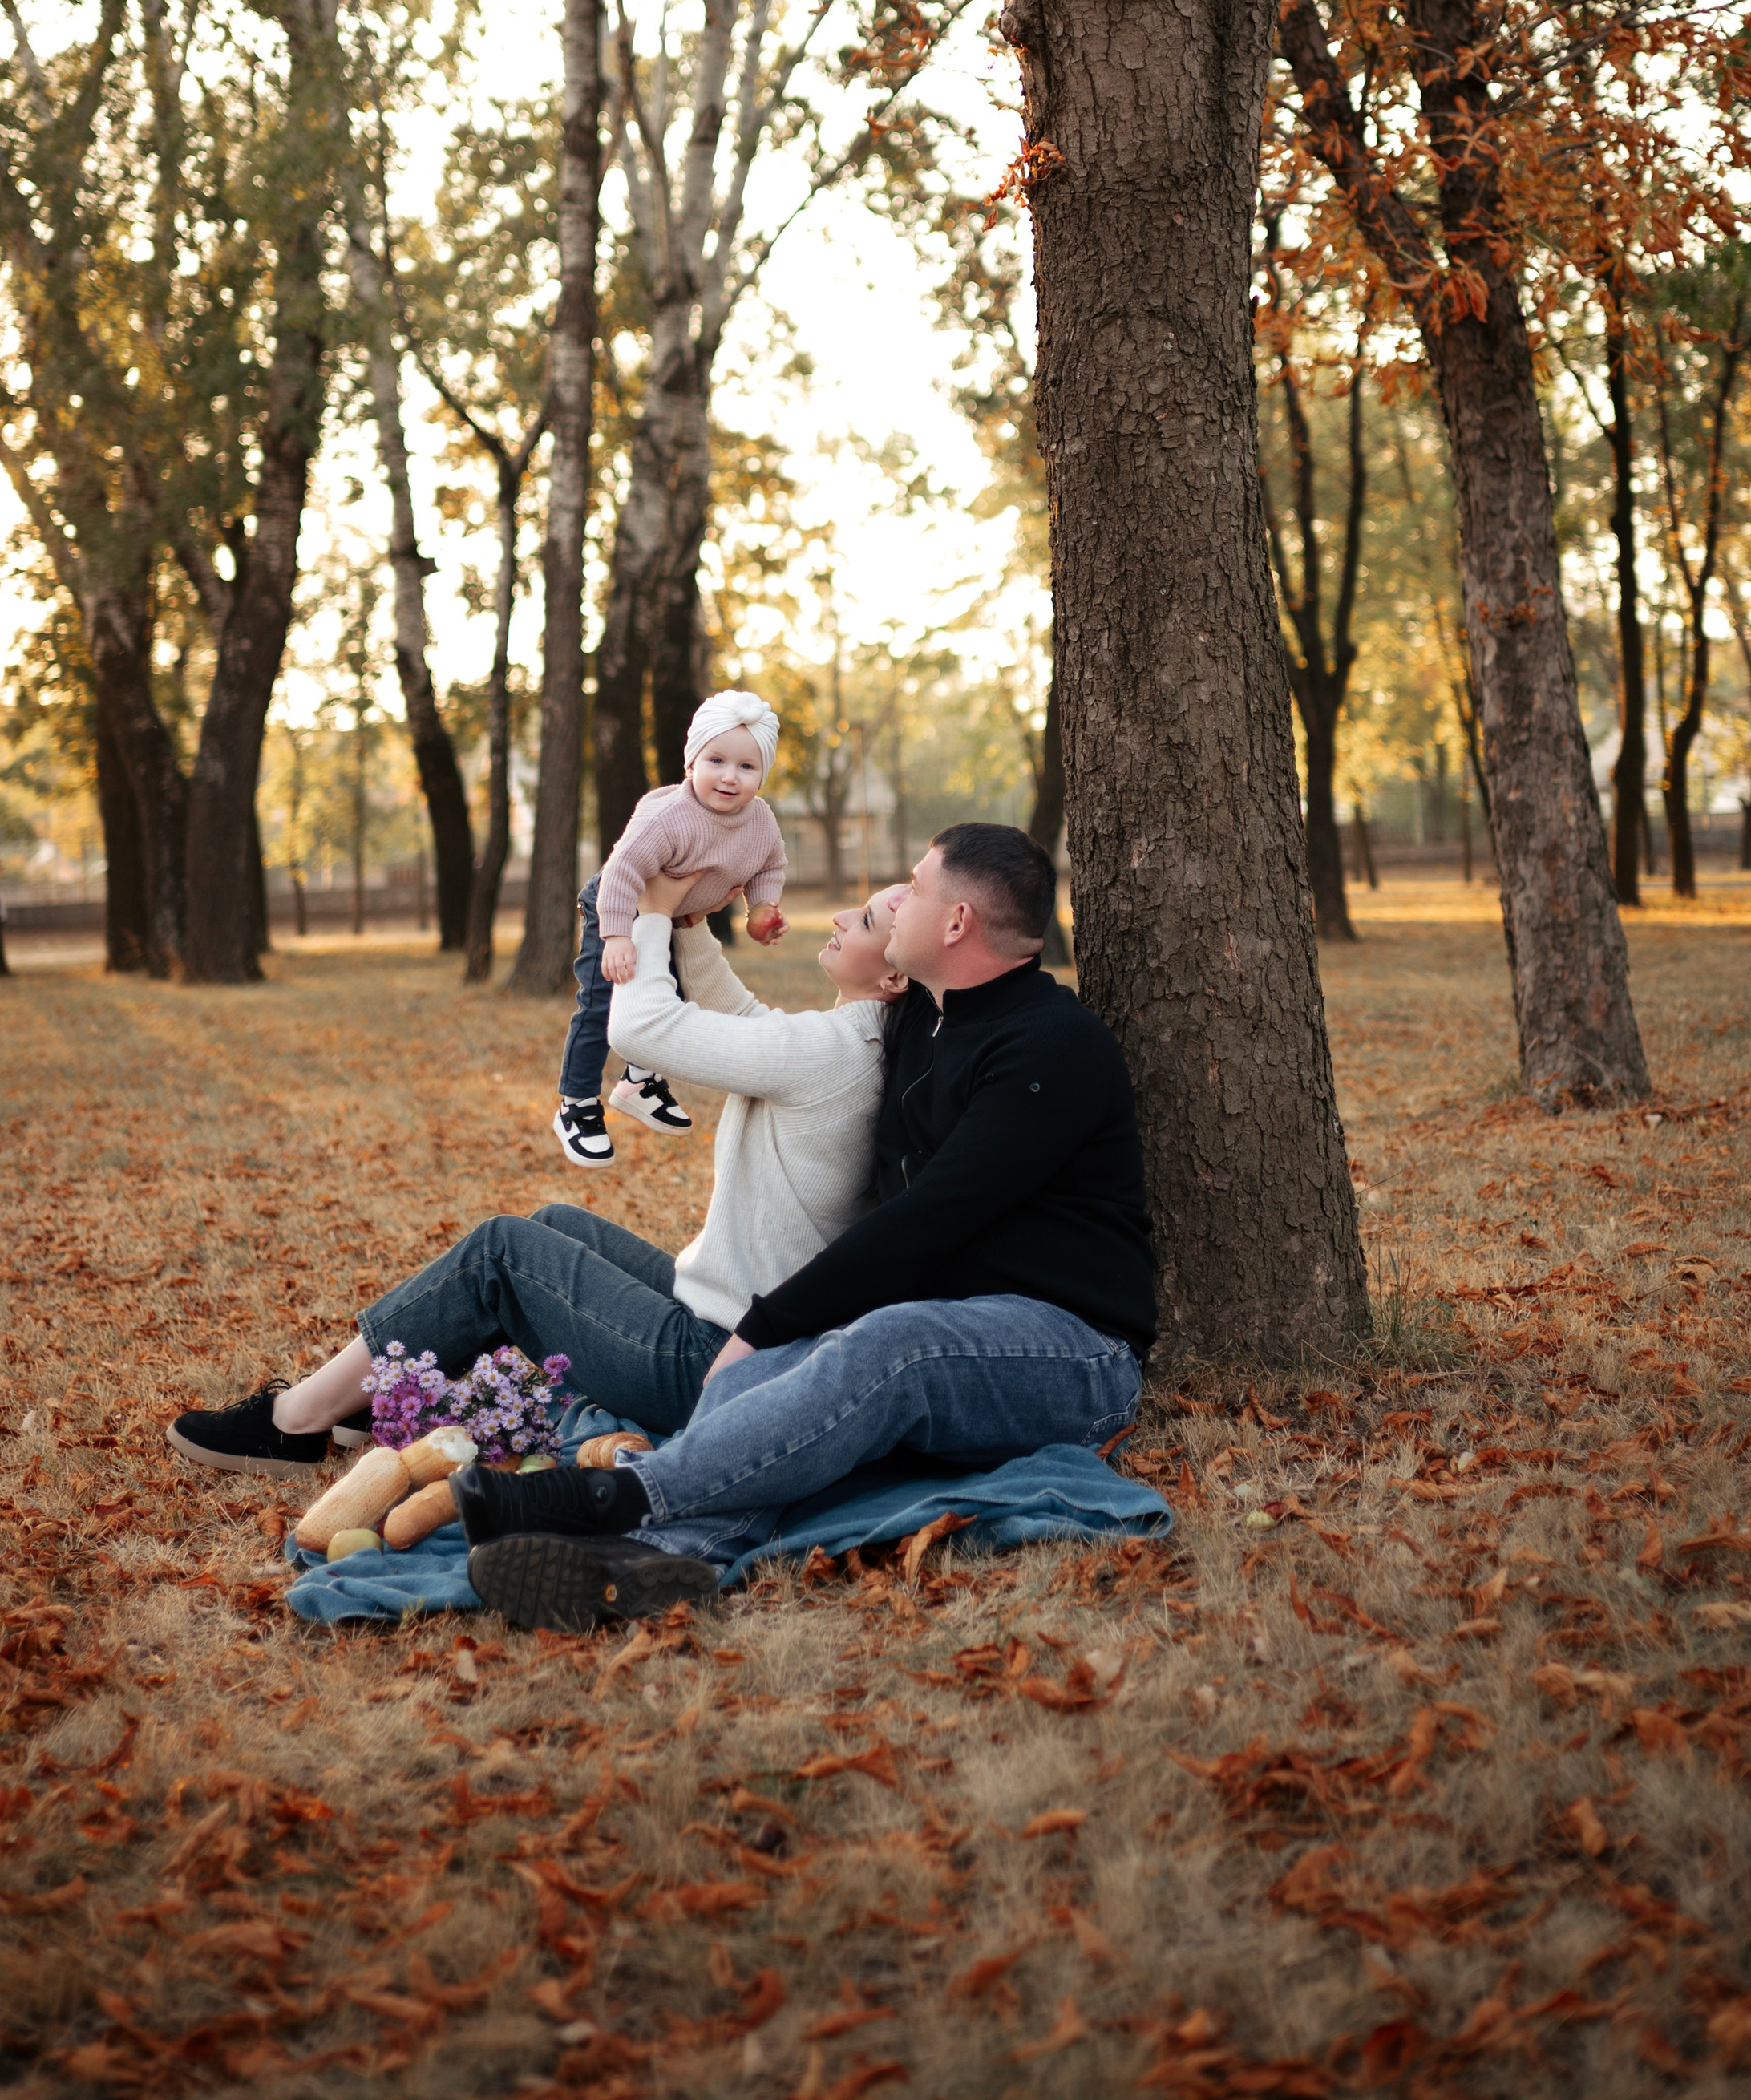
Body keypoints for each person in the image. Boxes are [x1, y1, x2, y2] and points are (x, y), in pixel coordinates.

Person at [454, 823, 1157, 1635]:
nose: (899, 897)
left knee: (889, 1346)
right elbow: (765, 1029)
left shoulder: (1049, 1044)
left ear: (956, 922)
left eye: (917, 886)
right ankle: (663, 1559)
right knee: (780, 1375)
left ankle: (611, 1495)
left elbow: (929, 1221)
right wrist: (691, 912)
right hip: (944, 1325)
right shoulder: (925, 1021)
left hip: (1070, 1351)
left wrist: (765, 1321)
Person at [165, 881, 907, 1481]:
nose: (844, 914)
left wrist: (645, 912)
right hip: (734, 1322)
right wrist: (687, 920)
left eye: (868, 917)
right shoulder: (850, 1041)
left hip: (714, 1362)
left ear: (896, 973)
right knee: (556, 1221)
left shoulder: (830, 1051)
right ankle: (375, 1396)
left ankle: (293, 1423)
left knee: (502, 1252)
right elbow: (737, 1012)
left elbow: (642, 1031)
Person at [553, 686, 791, 1171]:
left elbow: (770, 865)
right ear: (691, 762)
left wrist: (762, 908)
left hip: (674, 918)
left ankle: (639, 1081)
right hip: (616, 907)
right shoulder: (669, 818)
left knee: (670, 996)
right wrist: (618, 935)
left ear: (762, 774)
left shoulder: (760, 820)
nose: (729, 777)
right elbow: (621, 873)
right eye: (716, 760)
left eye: (747, 767)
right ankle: (575, 1105)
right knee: (603, 1003)